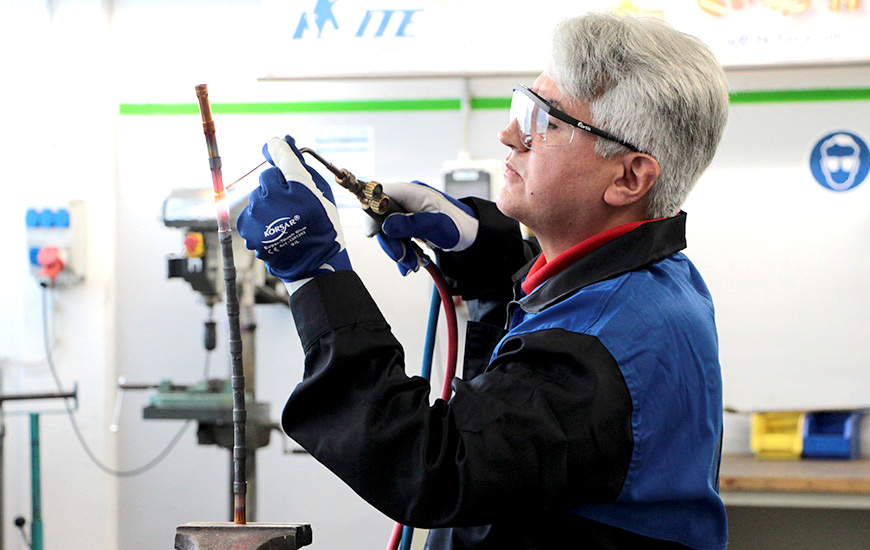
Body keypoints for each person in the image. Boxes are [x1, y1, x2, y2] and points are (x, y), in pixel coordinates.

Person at [237, 11, 730, 550]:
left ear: (630, 176)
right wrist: (488, 258)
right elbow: (521, 406)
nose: (510, 134)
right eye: (526, 105)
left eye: (547, 122)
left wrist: (316, 278)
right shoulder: (655, 282)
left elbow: (432, 467)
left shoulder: (598, 354)